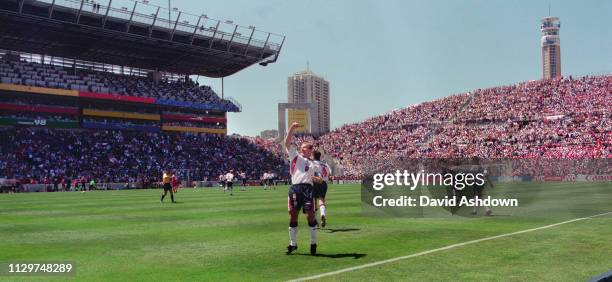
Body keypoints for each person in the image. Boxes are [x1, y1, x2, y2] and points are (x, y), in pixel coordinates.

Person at [284, 122, 323, 255]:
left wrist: (318, 179)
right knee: (293, 215)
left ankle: (313, 243)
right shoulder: (295, 156)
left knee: (310, 217)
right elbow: (287, 142)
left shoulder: (314, 164)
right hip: (295, 189)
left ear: (310, 150)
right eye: (302, 148)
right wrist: (292, 128)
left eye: (306, 148)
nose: (303, 149)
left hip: (308, 189)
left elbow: (316, 177)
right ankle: (293, 244)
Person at [311, 150, 332, 228]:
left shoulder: (312, 163)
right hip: (324, 183)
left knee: (314, 201)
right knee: (322, 200)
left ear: (313, 156)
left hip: (315, 182)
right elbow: (330, 172)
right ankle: (322, 214)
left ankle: (315, 222)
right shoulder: (325, 164)